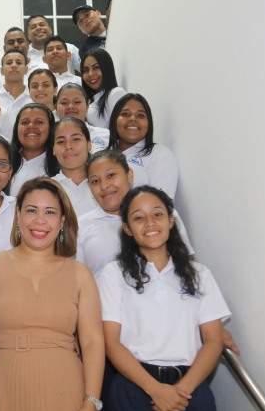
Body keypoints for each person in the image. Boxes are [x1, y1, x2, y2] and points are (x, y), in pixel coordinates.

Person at [0, 177, 104, 411]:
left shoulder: (80, 274)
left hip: (66, 392)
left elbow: (92, 342)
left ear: (62, 221)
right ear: (18, 215)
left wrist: (91, 403)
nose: (40, 220)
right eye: (31, 210)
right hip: (5, 388)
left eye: (50, 212)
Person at [99, 186, 230, 411]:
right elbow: (111, 342)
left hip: (191, 392)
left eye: (158, 214)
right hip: (134, 392)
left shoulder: (199, 273)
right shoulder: (114, 274)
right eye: (138, 217)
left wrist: (181, 391)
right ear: (127, 228)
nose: (150, 223)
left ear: (171, 220)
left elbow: (214, 341)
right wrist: (155, 390)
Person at [77, 149, 192, 280]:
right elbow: (76, 279)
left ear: (129, 175)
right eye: (95, 181)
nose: (104, 186)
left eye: (111, 175)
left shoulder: (161, 215)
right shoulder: (80, 226)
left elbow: (186, 264)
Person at [107, 93, 180, 199]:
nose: (133, 119)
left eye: (140, 115)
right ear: (114, 120)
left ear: (148, 123)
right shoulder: (102, 155)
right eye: (125, 114)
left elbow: (160, 203)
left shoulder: (160, 154)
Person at [52, 118, 97, 217]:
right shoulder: (46, 187)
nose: (68, 146)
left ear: (89, 144)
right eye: (61, 141)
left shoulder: (105, 185)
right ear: (53, 149)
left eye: (76, 139)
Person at [9, 104, 55, 195]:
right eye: (25, 122)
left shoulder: (60, 166)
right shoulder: (4, 162)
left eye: (39, 122)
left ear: (50, 128)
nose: (31, 126)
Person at [56, 83, 109, 152]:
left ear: (87, 106)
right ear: (56, 108)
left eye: (77, 102)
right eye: (64, 103)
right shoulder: (48, 138)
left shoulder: (105, 135)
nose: (70, 106)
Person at [82, 48, 127, 129]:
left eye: (96, 67)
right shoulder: (90, 100)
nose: (90, 74)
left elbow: (122, 129)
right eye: (86, 70)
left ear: (107, 68)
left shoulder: (116, 93)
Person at [0, 49, 31, 126]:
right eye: (9, 63)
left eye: (19, 63)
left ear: (26, 69)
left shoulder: (34, 97)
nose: (14, 65)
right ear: (1, 70)